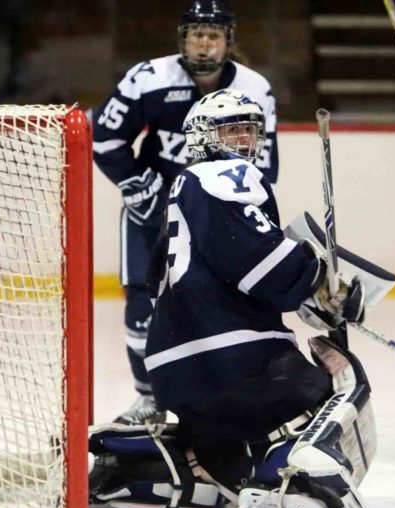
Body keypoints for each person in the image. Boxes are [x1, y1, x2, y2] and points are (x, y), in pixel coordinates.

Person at [88, 89, 395, 508]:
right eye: (231, 130)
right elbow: (257, 259)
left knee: (226, 463)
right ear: (202, 137)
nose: (244, 141)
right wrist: (319, 284)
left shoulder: (183, 190)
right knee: (334, 387)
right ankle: (296, 481)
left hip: (176, 369)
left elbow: (206, 272)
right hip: (235, 358)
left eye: (249, 131)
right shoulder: (224, 176)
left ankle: (127, 464)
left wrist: (306, 293)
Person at [91, 0, 278, 425]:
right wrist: (136, 183)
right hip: (153, 212)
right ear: (183, 39)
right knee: (142, 305)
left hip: (217, 219)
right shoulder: (148, 78)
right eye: (196, 34)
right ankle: (148, 398)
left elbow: (265, 166)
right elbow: (104, 134)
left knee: (220, 304)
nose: (204, 44)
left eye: (213, 35)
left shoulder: (254, 88)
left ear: (228, 41)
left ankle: (220, 392)